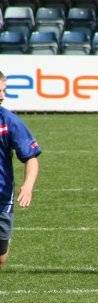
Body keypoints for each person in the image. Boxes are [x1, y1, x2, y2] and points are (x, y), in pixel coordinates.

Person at [0, 72, 42, 268]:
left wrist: (28, 186)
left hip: (2, 196)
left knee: (0, 256)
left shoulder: (10, 122)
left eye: (3, 90)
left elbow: (30, 158)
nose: (2, 96)